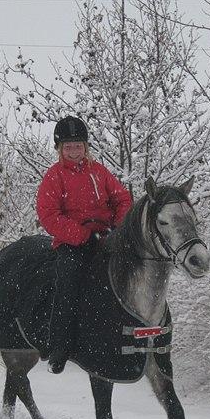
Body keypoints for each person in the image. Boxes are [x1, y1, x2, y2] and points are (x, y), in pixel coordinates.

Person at [36, 116, 132, 374]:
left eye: (78, 145)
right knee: (68, 283)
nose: (74, 151)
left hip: (106, 238)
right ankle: (60, 347)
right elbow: (49, 215)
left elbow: (122, 198)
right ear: (60, 150)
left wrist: (119, 228)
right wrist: (81, 235)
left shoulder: (98, 171)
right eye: (68, 147)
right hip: (73, 243)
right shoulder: (54, 176)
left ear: (85, 146)